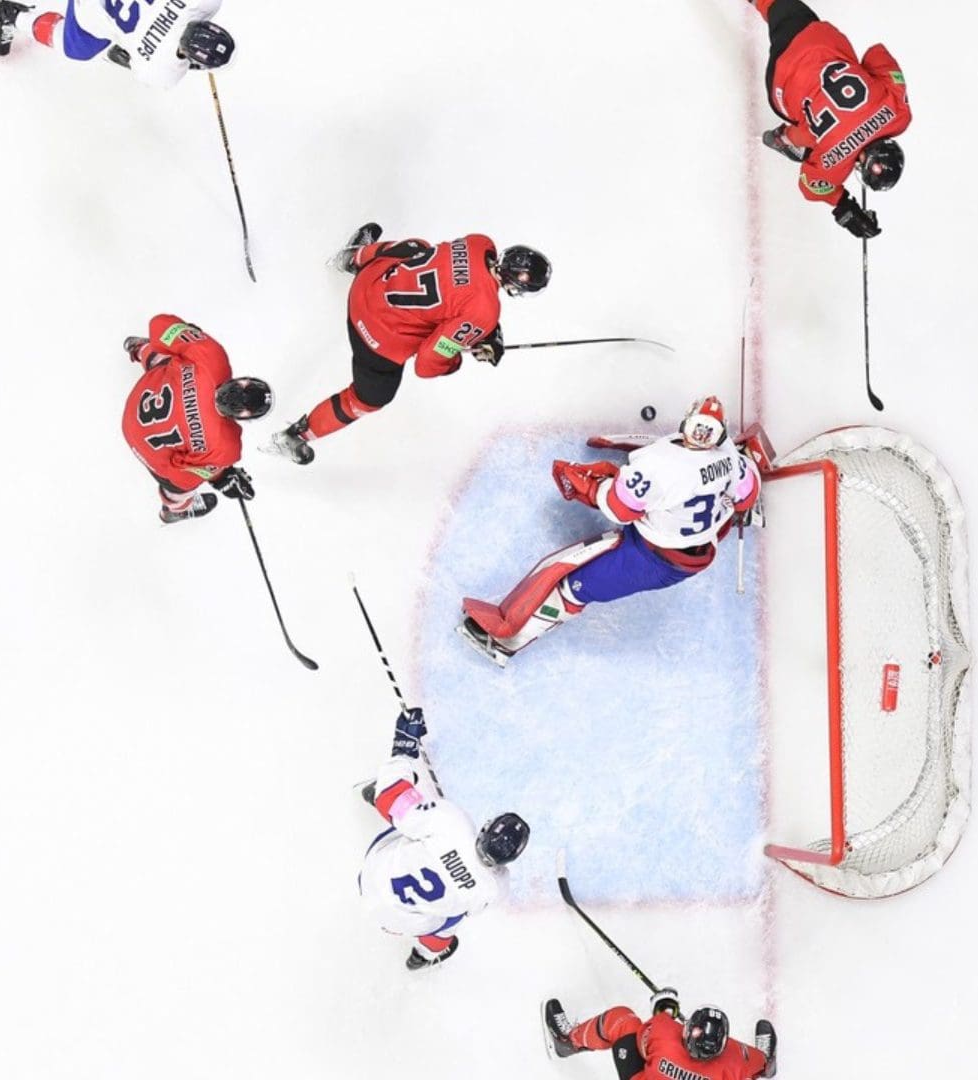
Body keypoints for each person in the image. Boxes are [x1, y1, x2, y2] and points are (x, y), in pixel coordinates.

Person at [459, 396, 761, 665]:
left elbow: (619, 509)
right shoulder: (731, 457)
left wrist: (595, 487)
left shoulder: (660, 466)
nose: (701, 435)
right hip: (696, 543)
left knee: (572, 588)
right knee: (577, 558)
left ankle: (506, 642)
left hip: (653, 558)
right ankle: (738, 519)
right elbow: (748, 494)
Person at [263, 224, 549, 466]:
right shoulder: (484, 313)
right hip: (375, 335)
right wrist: (461, 354)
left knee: (417, 247)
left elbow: (454, 289)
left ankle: (353, 258)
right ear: (517, 288)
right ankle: (296, 437)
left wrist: (479, 333)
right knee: (371, 398)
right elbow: (428, 362)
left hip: (369, 283)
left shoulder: (479, 243)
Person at [358, 707, 528, 970]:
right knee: (452, 919)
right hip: (396, 923)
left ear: (484, 829)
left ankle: (383, 792)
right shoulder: (493, 891)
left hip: (371, 875)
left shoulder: (452, 823)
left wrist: (404, 745)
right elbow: (480, 885)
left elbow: (390, 798)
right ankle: (424, 956)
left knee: (403, 807)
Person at [751, 0, 908, 240]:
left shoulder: (899, 113)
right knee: (809, 139)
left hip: (815, 40)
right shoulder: (834, 164)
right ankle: (785, 140)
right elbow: (810, 187)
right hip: (781, 83)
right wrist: (845, 207)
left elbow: (877, 53)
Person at [120, 314, 270, 523]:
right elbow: (182, 474)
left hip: (142, 396)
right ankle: (175, 508)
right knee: (181, 485)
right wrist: (220, 478)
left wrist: (187, 333)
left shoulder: (211, 356)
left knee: (175, 355)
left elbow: (159, 325)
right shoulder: (225, 446)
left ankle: (140, 349)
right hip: (139, 440)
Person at [0, 0, 234, 87]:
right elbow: (133, 63)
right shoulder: (161, 69)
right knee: (75, 47)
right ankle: (11, 16)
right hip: (89, 9)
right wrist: (187, 63)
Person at [544, 990, 777, 1079]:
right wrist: (765, 1064)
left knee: (622, 1020)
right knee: (761, 1065)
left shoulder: (663, 1033)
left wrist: (663, 1010)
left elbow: (643, 1038)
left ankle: (567, 1041)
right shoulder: (736, 1059)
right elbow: (757, 1063)